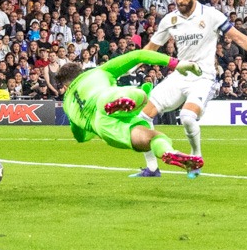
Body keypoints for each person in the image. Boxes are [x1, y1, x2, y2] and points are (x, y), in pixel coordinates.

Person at [137, 0, 247, 178]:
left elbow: (238, 37)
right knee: (142, 116)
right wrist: (130, 66)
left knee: (187, 117)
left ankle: (196, 159)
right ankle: (152, 168)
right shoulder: (169, 20)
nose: (179, 0)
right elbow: (151, 49)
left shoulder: (211, 15)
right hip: (179, 76)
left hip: (203, 77)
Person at [56, 50, 203, 173]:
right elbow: (137, 55)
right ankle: (168, 150)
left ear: (65, 85)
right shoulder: (99, 71)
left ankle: (168, 152)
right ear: (81, 71)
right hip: (106, 98)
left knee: (147, 139)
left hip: (103, 126)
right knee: (144, 115)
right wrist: (175, 63)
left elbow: (80, 137)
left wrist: (89, 127)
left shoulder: (68, 104)